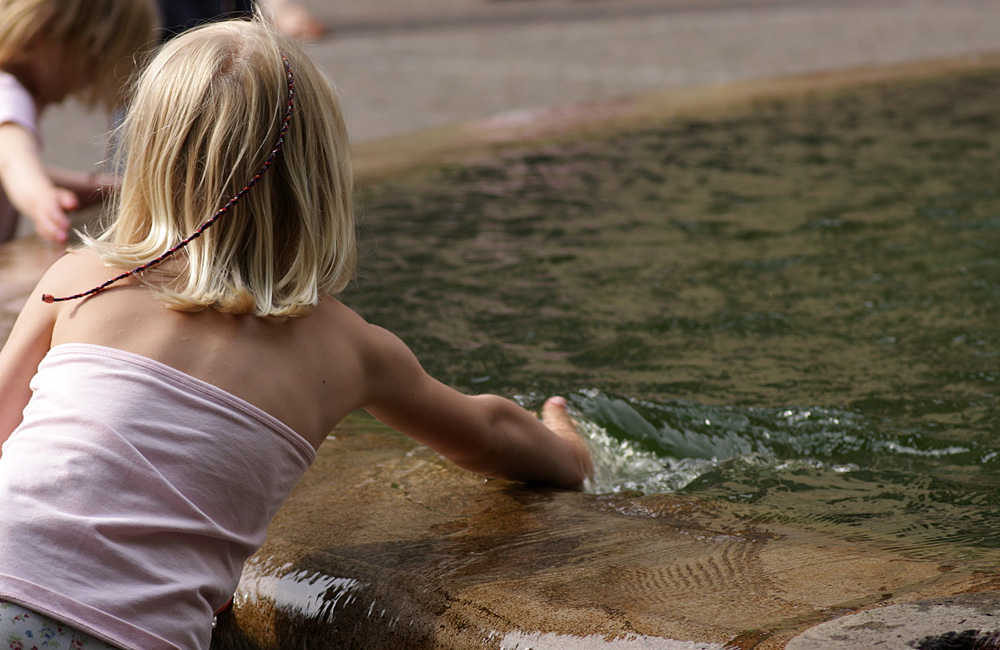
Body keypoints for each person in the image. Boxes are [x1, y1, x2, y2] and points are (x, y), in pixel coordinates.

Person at [0, 17, 592, 650]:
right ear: (319, 178)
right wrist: (568, 454)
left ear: (149, 154)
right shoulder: (350, 349)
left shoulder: (80, 281)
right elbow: (491, 434)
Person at [0, 0, 159, 245]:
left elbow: (14, 169)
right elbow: (12, 158)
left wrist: (113, 189)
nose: (88, 79)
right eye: (95, 58)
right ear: (50, 32)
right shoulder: (8, 93)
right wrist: (41, 197)